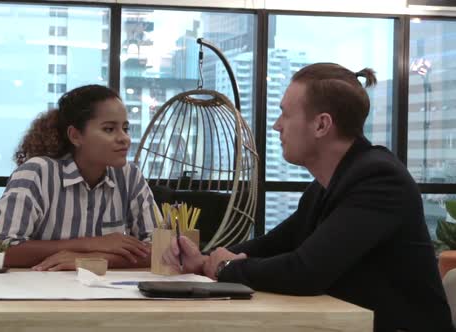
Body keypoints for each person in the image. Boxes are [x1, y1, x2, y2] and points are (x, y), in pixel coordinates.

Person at [163, 63, 454, 331]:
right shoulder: (326, 184)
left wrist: (226, 267)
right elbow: (275, 245)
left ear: (321, 125)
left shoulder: (379, 179)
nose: (277, 125)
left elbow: (306, 271)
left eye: (285, 114)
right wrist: (205, 261)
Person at [0, 84, 158, 270]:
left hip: (106, 293)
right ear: (76, 136)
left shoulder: (129, 175)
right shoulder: (37, 173)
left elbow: (162, 250)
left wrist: (91, 260)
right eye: (109, 129)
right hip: (39, 293)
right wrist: (90, 244)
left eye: (126, 128)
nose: (124, 138)